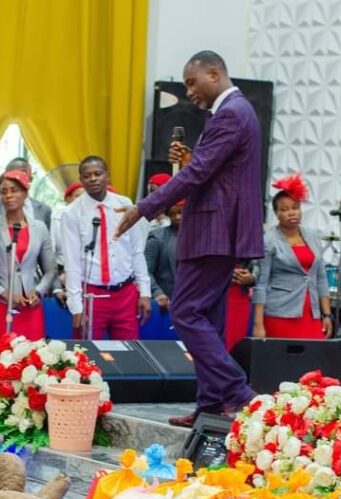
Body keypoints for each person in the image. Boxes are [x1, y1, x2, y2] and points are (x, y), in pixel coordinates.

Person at [115, 50, 263, 426]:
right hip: (219, 228)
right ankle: (212, 404)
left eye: (191, 83)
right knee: (208, 318)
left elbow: (197, 173)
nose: (189, 92)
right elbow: (213, 171)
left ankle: (238, 392)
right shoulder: (236, 113)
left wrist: (143, 207)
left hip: (214, 229)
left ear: (214, 73)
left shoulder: (231, 113)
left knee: (185, 311)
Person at [62, 155, 151, 340]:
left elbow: (136, 251)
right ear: (81, 181)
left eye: (98, 173)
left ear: (108, 176)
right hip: (92, 294)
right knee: (87, 356)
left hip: (125, 293)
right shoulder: (72, 213)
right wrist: (76, 307)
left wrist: (145, 292)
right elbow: (72, 263)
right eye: (87, 176)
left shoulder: (124, 204)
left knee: (128, 354)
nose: (93, 179)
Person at [0, 170, 56, 341]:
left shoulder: (40, 227)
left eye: (14, 190)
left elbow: (50, 270)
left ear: (26, 193)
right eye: (4, 191)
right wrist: (4, 294)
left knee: (32, 361)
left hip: (30, 305)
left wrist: (39, 291)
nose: (8, 195)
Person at [252, 174, 333, 340]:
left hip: (311, 312)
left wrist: (327, 314)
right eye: (284, 209)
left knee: (313, 362)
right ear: (276, 213)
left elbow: (321, 277)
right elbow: (261, 284)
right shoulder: (269, 240)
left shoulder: (312, 235)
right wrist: (258, 324)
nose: (291, 213)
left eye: (295, 207)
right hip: (279, 312)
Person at [0, 157, 53, 226]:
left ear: (30, 179)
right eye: (12, 177)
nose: (18, 180)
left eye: (22, 177)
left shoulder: (44, 210)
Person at [145, 201, 183, 311]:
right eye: (172, 214)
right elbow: (146, 271)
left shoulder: (201, 237)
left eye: (181, 212)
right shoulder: (157, 238)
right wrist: (157, 292)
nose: (177, 217)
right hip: (166, 302)